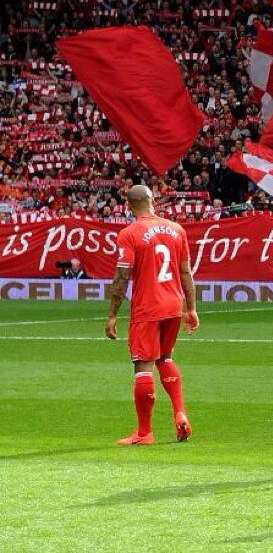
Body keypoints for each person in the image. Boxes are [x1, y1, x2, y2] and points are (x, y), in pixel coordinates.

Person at [105, 186, 198, 445]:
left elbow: (122, 276)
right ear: (152, 200)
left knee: (143, 366)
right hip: (174, 305)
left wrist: (112, 314)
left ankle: (144, 433)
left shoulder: (129, 233)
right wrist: (191, 309)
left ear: (129, 206)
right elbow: (186, 272)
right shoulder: (177, 229)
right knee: (165, 357)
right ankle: (179, 411)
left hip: (148, 308)